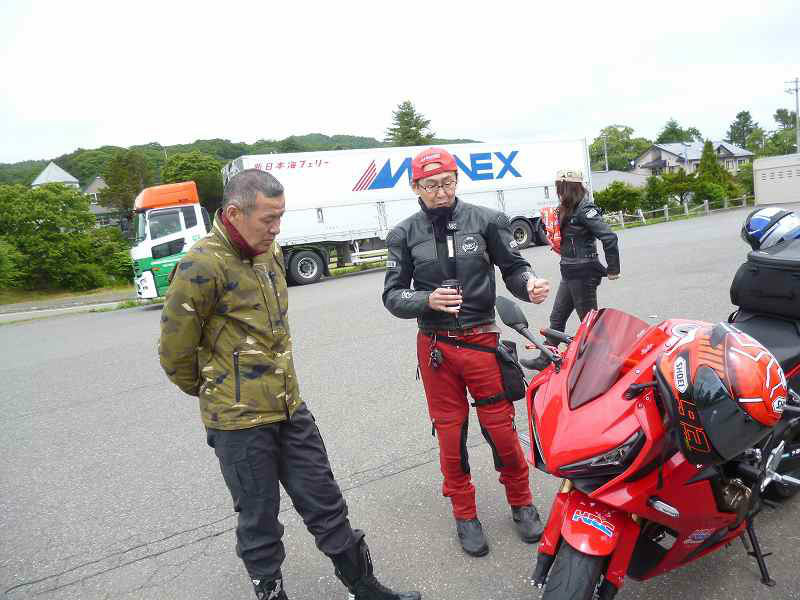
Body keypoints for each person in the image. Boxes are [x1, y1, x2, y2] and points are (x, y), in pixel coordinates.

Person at [159, 169, 420, 600]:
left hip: (289, 408)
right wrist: (223, 392)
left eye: (280, 217)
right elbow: (175, 354)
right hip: (239, 424)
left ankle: (364, 587)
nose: (277, 228)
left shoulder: (270, 253)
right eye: (268, 219)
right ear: (234, 214)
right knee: (259, 520)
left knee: (326, 501)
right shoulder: (200, 266)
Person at [382, 147, 551, 557]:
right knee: (450, 434)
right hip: (436, 348)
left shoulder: (487, 220)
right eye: (431, 185)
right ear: (415, 187)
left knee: (501, 430)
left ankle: (522, 502)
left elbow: (514, 268)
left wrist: (528, 284)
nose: (441, 192)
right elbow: (392, 295)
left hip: (481, 341)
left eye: (448, 183)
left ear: (457, 180)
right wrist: (425, 300)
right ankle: (464, 513)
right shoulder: (403, 234)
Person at [528, 169, 620, 369]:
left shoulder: (585, 208)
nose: (558, 192)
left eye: (560, 188)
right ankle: (546, 358)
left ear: (568, 188)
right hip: (569, 270)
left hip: (583, 271)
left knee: (590, 322)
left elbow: (609, 237)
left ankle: (608, 363)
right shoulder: (566, 208)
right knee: (557, 317)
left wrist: (613, 269)